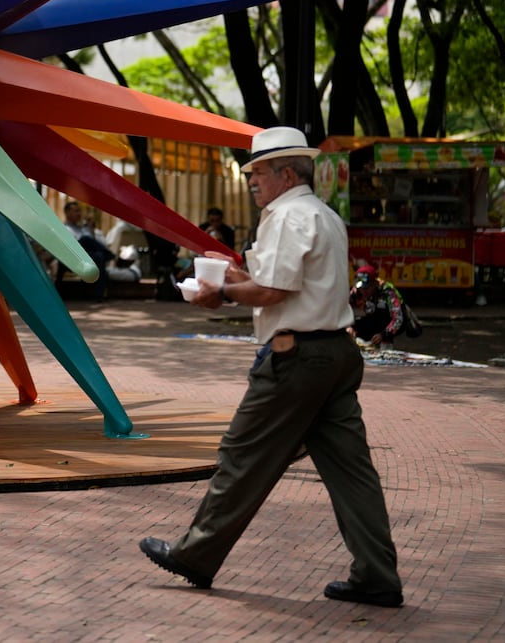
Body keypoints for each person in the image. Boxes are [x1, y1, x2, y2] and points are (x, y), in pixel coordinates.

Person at [139, 126, 403, 608]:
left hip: (297, 358)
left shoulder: (284, 217)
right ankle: (377, 574)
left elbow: (274, 293)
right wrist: (240, 279)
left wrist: (221, 292)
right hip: (336, 356)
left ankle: (196, 554)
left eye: (257, 171)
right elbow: (285, 283)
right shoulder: (323, 215)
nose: (250, 180)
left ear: (285, 173)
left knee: (242, 453)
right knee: (351, 471)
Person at [349, 263, 406, 347]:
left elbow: (398, 318)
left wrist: (383, 334)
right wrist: (348, 327)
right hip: (371, 316)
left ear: (375, 283)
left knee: (382, 322)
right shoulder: (356, 290)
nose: (363, 291)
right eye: (361, 288)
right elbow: (343, 309)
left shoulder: (388, 291)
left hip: (389, 321)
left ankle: (385, 343)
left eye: (367, 288)